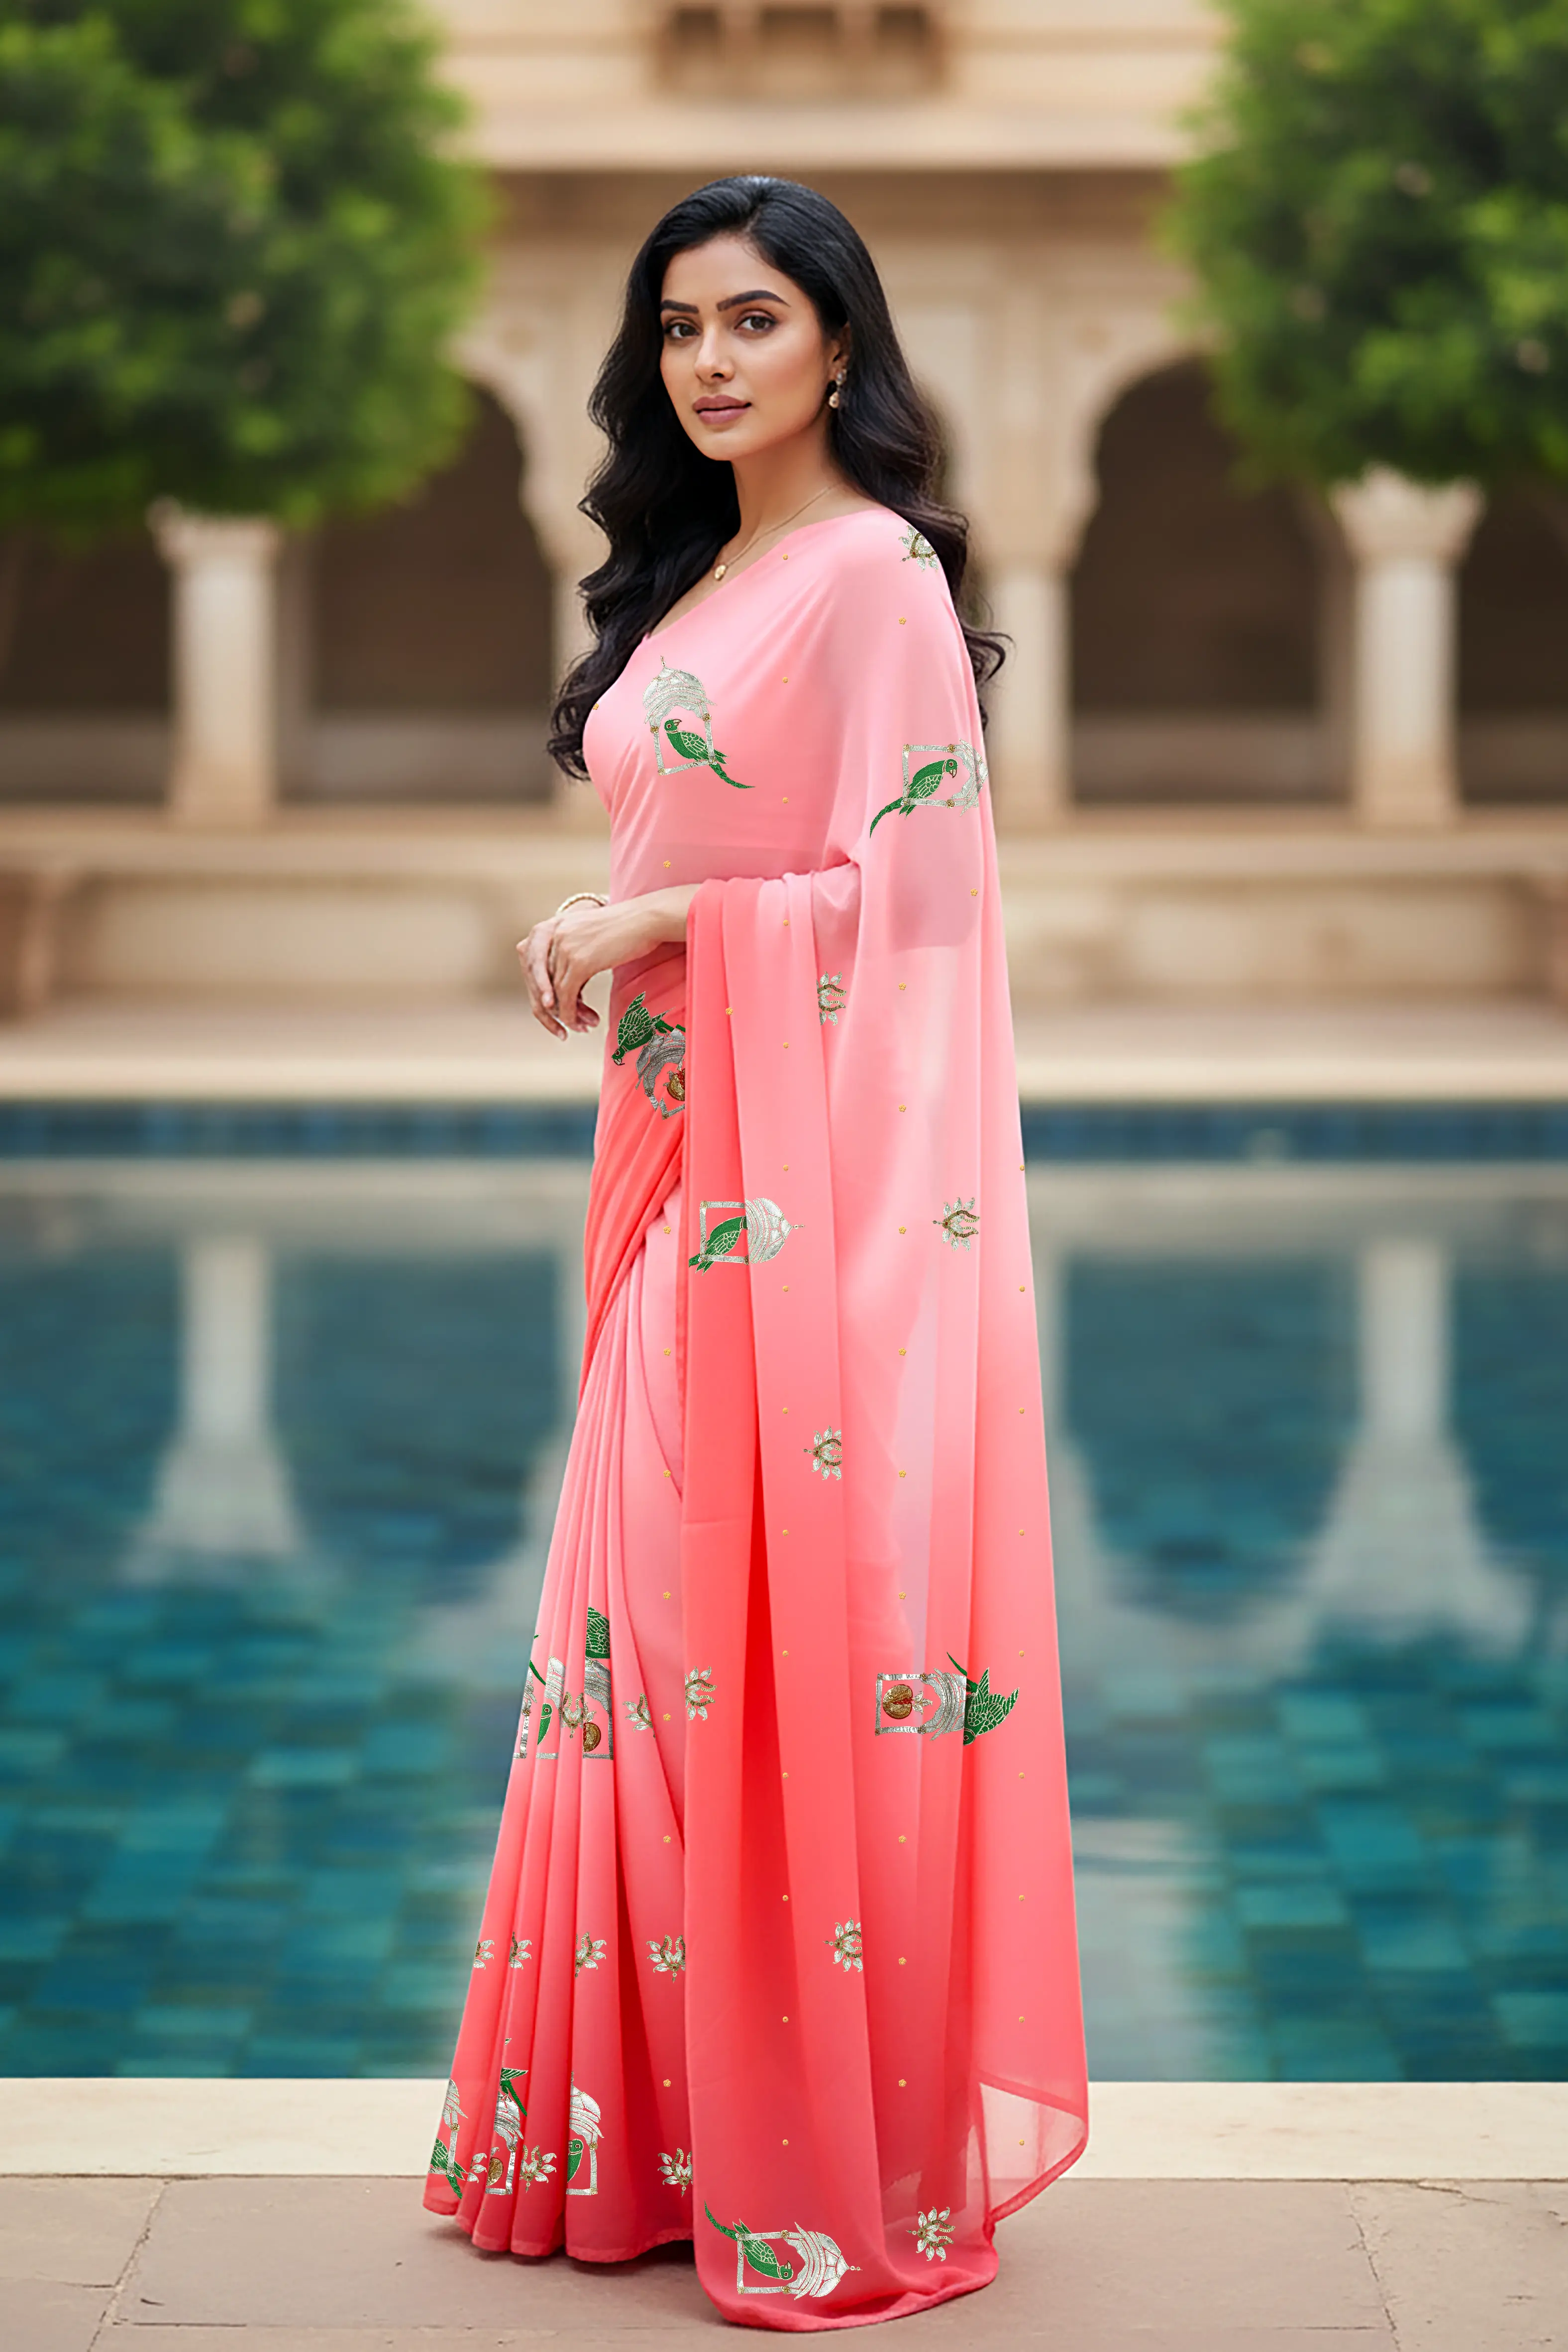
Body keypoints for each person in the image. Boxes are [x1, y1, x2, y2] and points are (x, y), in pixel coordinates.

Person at [423, 174, 1086, 2329]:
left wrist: (665, 924)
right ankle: (633, 2128)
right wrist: (610, 923)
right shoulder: (702, 575)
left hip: (780, 1214)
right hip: (668, 1168)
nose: (711, 360)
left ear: (838, 345)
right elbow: (700, 832)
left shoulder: (875, 571)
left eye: (756, 320)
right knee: (627, 1645)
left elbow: (922, 907)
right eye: (680, 325)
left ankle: (796, 2151)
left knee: (739, 1651)